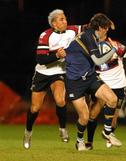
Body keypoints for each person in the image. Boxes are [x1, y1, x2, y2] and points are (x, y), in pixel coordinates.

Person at [23, 9, 83, 149]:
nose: (65, 21)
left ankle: (62, 129)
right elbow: (41, 59)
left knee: (60, 100)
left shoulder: (72, 30)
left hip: (59, 72)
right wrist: (57, 55)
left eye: (65, 18)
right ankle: (28, 132)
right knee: (35, 108)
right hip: (43, 73)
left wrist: (102, 22)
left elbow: (89, 27)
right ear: (54, 24)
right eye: (62, 19)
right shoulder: (46, 35)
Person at [65, 13, 122, 151]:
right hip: (75, 81)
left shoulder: (92, 34)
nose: (107, 30)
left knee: (112, 99)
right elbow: (98, 61)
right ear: (101, 28)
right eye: (106, 28)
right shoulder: (88, 36)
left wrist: (109, 22)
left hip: (90, 77)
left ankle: (107, 132)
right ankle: (79, 141)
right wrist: (114, 49)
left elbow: (94, 21)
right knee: (84, 117)